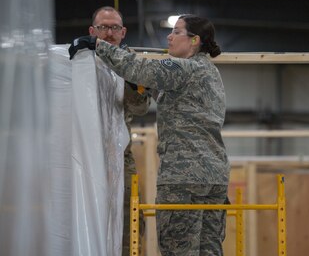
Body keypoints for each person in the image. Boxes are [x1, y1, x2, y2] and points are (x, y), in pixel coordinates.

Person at [69, 14, 231, 256]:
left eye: (177, 32)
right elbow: (174, 99)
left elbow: (141, 68)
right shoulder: (208, 72)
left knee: (179, 250)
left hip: (183, 178)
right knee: (209, 250)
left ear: (195, 40)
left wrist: (98, 45)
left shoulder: (182, 67)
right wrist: (139, 85)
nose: (169, 36)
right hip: (215, 178)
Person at [89, 6, 151, 255]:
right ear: (92, 31)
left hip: (119, 156)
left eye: (114, 27)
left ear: (123, 32)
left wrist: (126, 73)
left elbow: (140, 107)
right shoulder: (78, 60)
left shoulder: (131, 63)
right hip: (82, 154)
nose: (109, 33)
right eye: (103, 27)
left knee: (129, 219)